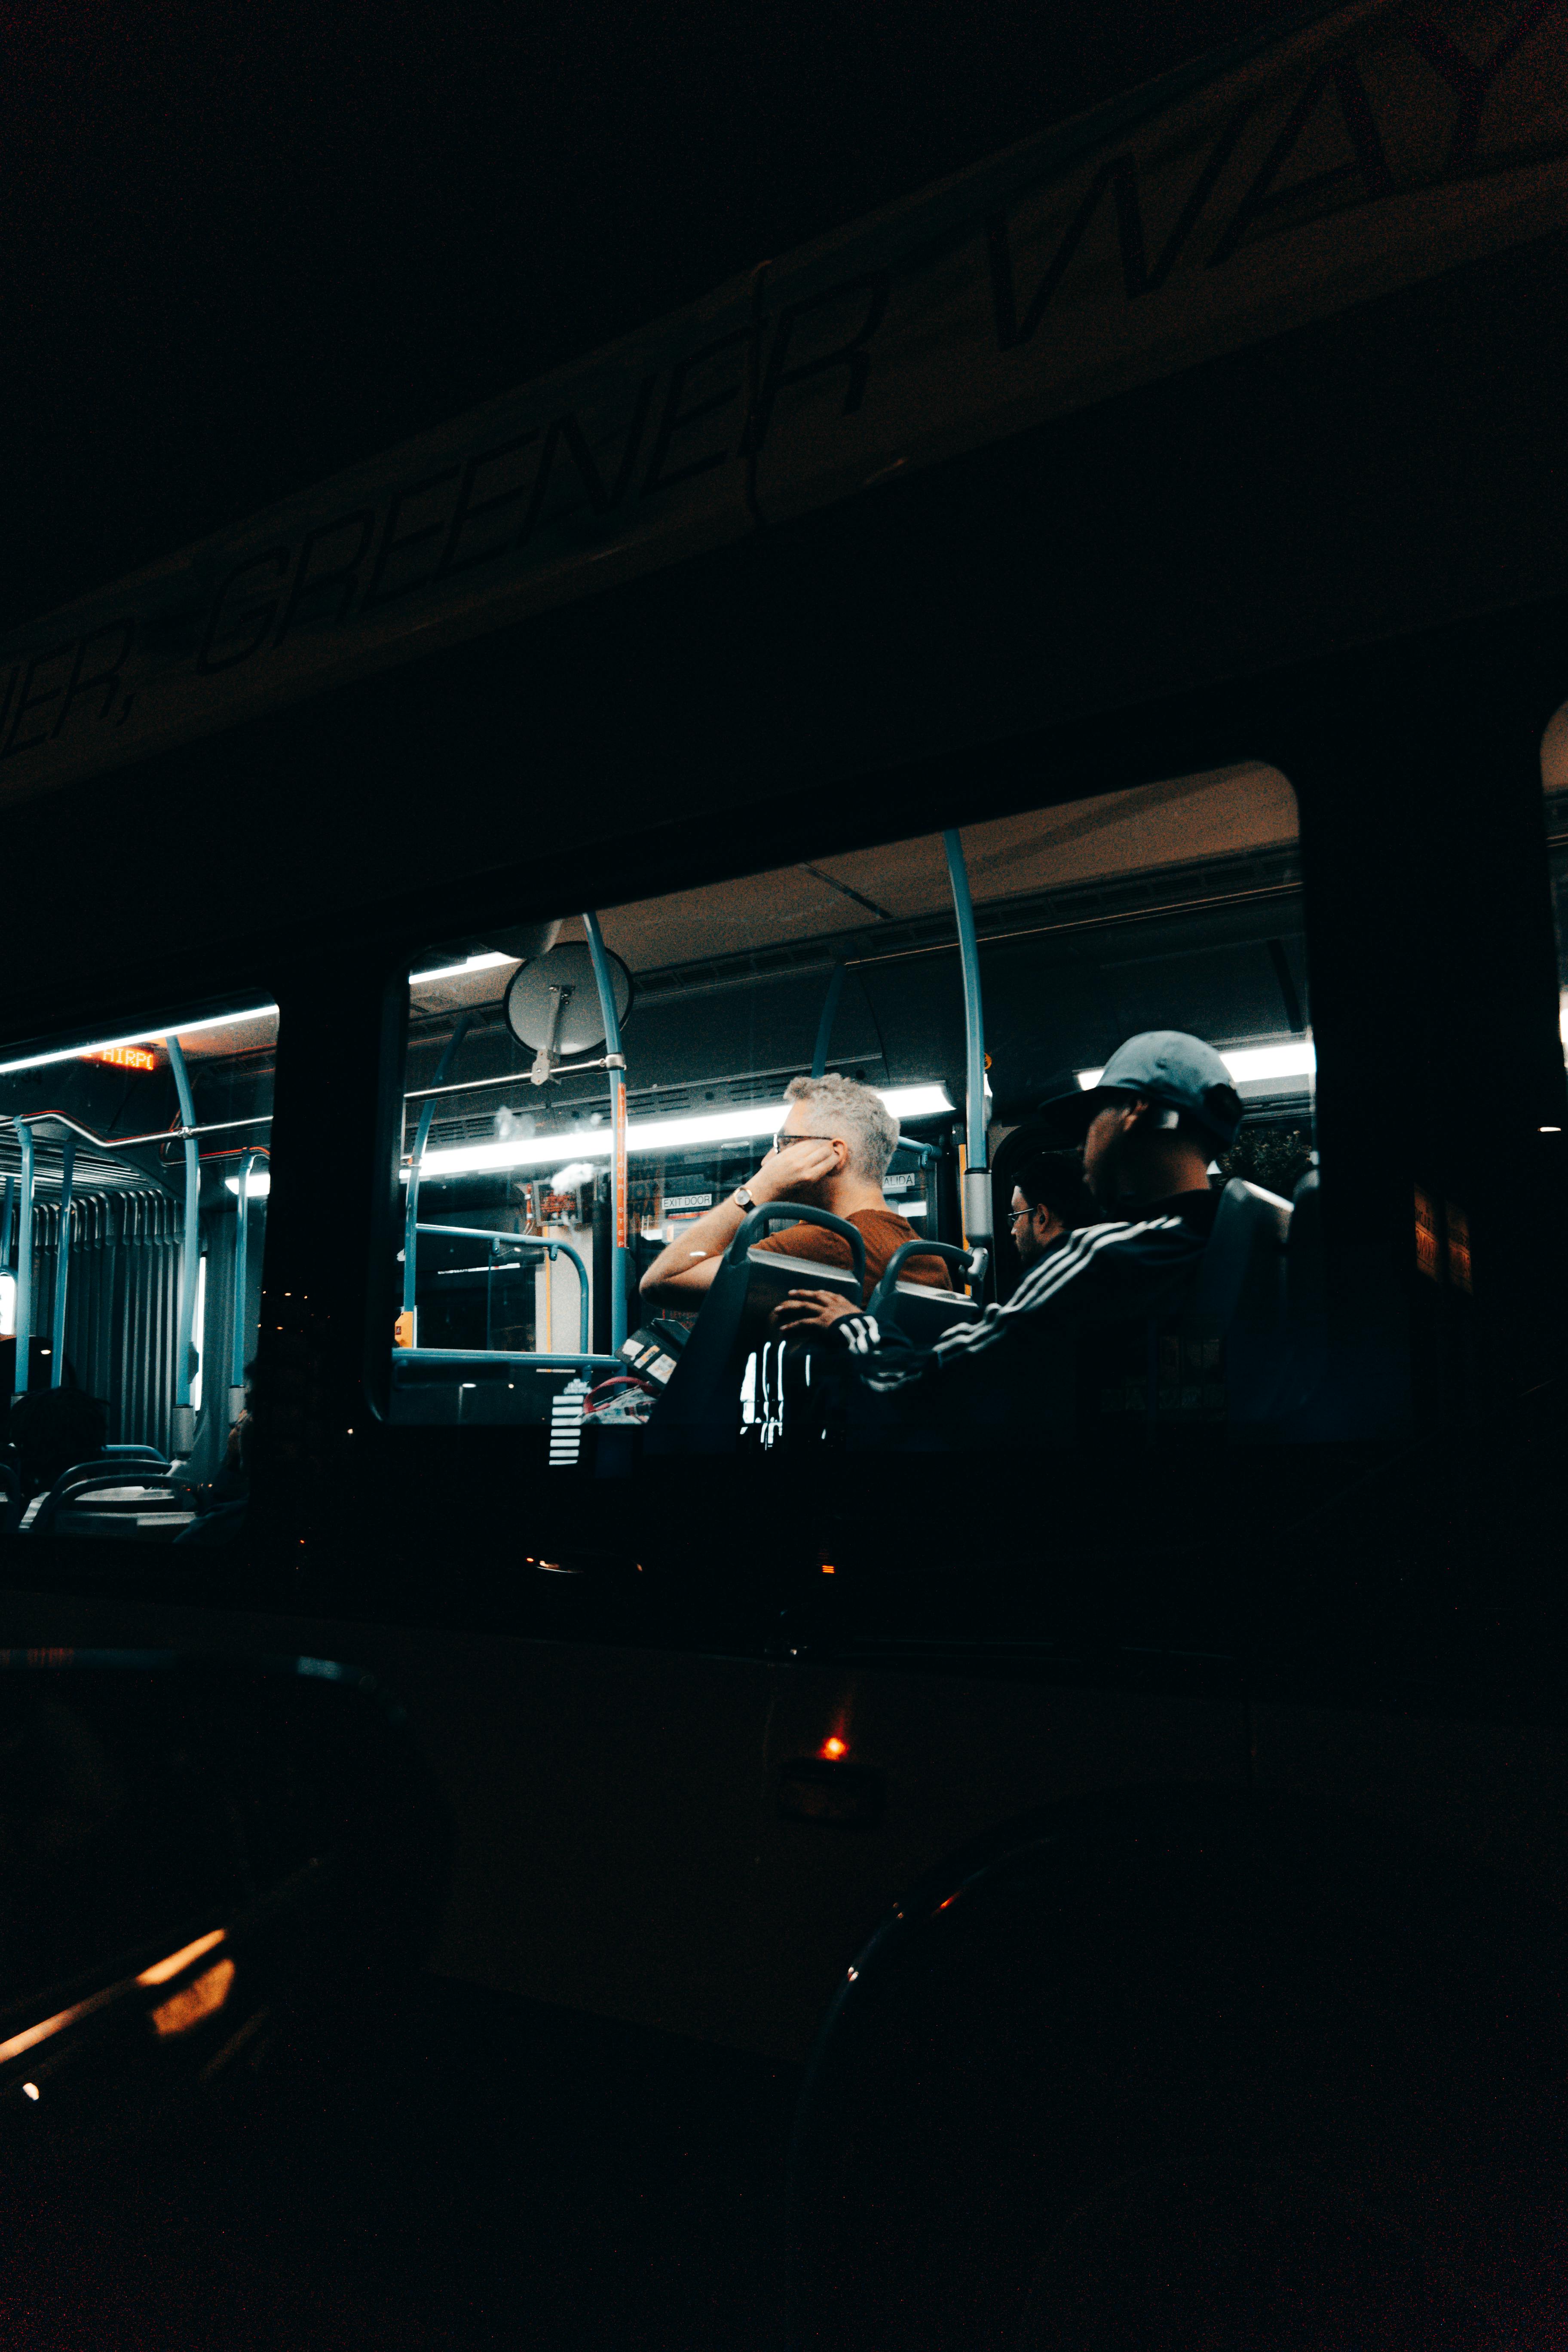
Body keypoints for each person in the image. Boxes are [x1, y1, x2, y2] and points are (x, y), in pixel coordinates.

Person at [773, 1032, 1242, 1424]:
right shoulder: (1236, 1240)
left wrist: (854, 1325)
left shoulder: (1108, 1257)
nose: (1083, 1147)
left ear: (1135, 1114)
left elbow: (923, 1385)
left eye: (1090, 1123)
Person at [639, 1072, 953, 1314]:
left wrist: (758, 1189)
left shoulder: (831, 1244)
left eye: (785, 1144)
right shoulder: (923, 1251)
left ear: (834, 1155)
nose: (768, 1161)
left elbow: (662, 1283)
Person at [1008, 1149, 1098, 1274]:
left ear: (1042, 1217)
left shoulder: (1045, 1283)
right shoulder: (1102, 1261)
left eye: (1016, 1216)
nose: (1013, 1231)